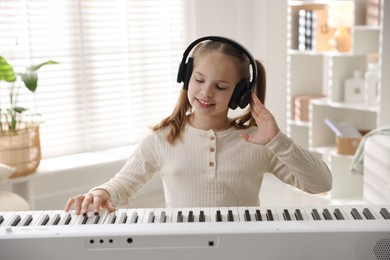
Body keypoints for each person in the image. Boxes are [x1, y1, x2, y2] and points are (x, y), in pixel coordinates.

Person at [65, 36, 332, 215]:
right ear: (186, 78)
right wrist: (100, 192)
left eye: (221, 86)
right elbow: (123, 185)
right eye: (199, 80)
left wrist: (278, 141)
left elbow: (321, 183)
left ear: (240, 93)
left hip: (243, 247)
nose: (206, 93)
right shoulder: (163, 139)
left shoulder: (257, 141)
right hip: (184, 246)